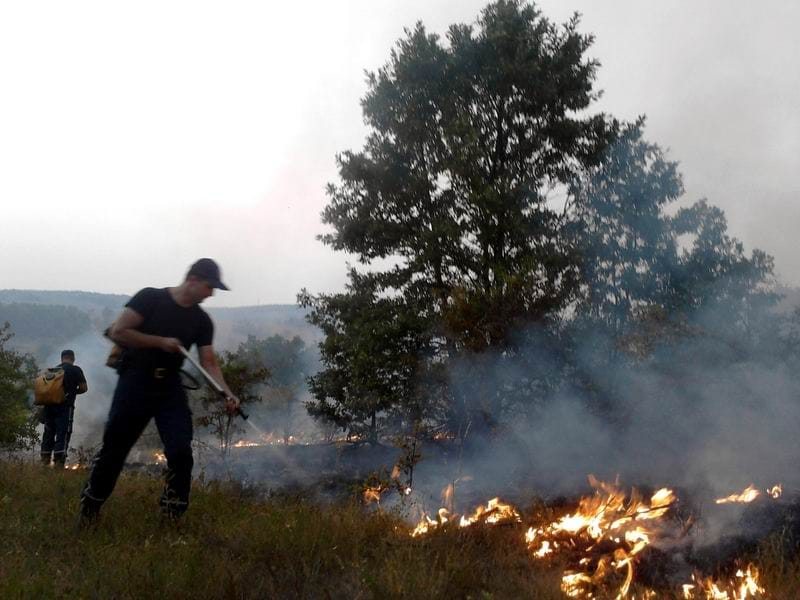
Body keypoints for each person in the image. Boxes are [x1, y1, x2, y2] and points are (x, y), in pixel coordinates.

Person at [79, 258, 241, 523]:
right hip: (135, 382)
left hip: (169, 388)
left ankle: (172, 514)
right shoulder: (150, 299)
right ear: (193, 280)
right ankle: (90, 509)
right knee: (115, 449)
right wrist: (160, 342)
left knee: (180, 450)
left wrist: (227, 393)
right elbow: (119, 331)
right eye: (209, 286)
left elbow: (209, 362)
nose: (211, 294)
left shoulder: (202, 321)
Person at [40, 349, 88, 467]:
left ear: (62, 358)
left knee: (48, 434)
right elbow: (84, 388)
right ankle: (58, 464)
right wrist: (73, 392)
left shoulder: (52, 371)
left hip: (49, 408)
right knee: (63, 434)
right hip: (65, 408)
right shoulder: (76, 370)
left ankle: (44, 463)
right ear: (73, 358)